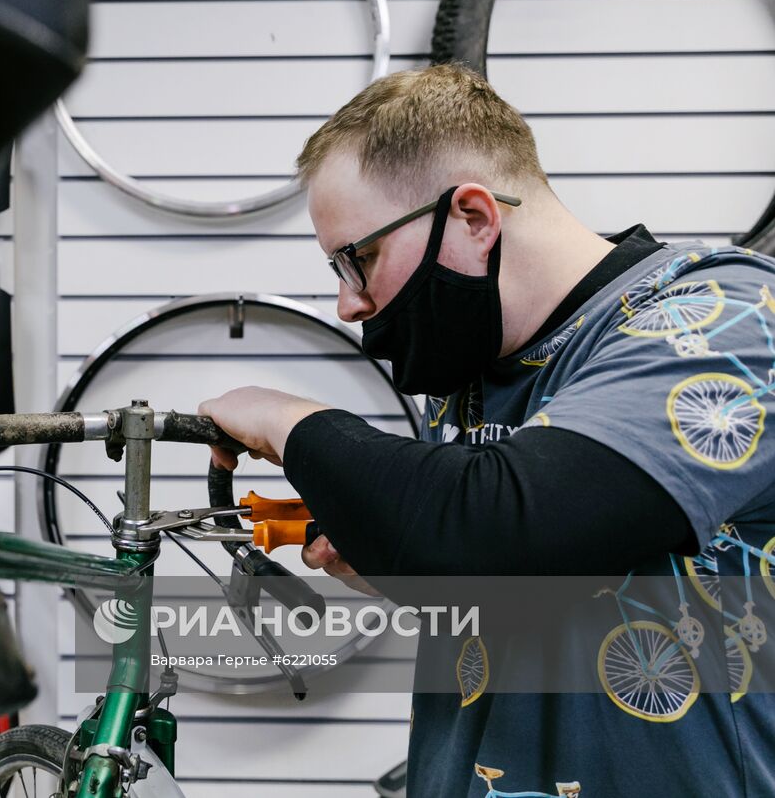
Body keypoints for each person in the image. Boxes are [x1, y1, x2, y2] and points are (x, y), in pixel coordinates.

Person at [198, 63, 775, 797]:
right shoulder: (473, 376)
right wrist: (401, 561)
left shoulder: (723, 320)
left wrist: (286, 419)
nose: (349, 301)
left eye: (358, 258)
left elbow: (506, 521)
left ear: (473, 216)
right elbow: (515, 578)